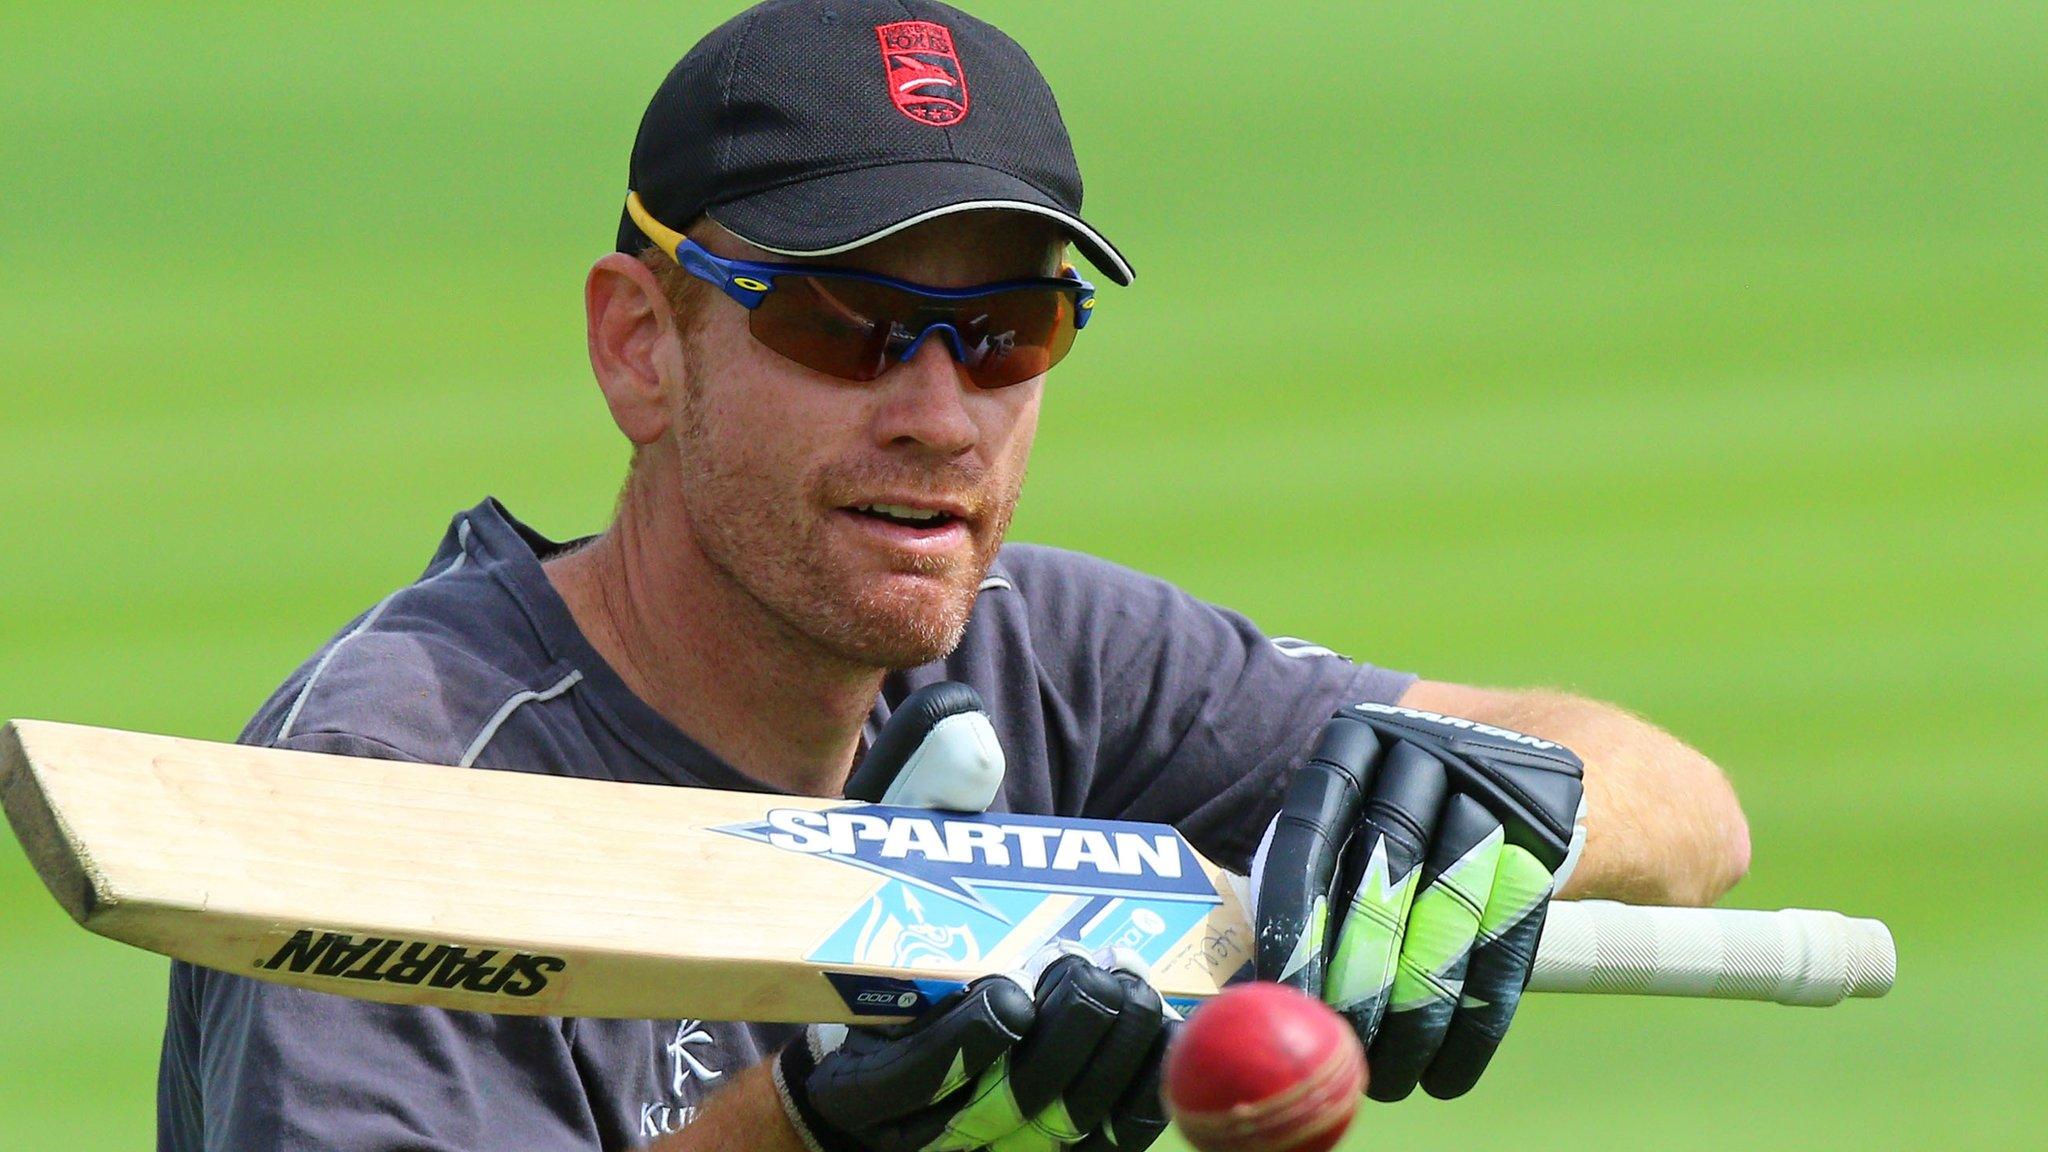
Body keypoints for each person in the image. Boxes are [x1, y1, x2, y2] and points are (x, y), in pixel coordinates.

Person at [156, 2, 1750, 1150]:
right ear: (642, 347)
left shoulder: (1043, 650)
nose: (937, 415)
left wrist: (1493, 801)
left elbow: (1692, 814)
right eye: (839, 326)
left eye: (1009, 330)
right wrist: (804, 1139)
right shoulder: (396, 794)